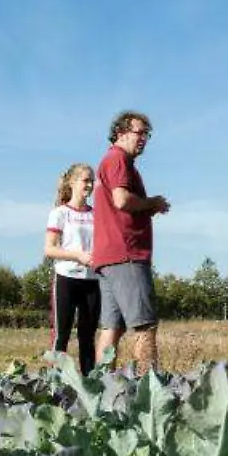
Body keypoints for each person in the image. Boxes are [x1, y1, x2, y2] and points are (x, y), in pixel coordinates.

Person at [92, 111, 170, 371]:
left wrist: (149, 208)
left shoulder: (110, 160)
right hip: (127, 254)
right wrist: (152, 203)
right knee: (145, 326)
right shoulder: (118, 159)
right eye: (139, 133)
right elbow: (122, 200)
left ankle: (101, 389)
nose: (144, 139)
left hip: (107, 256)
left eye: (147, 134)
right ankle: (150, 390)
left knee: (110, 328)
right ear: (121, 132)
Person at [45, 163, 100, 375]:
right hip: (66, 279)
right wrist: (77, 255)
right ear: (72, 182)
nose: (90, 185)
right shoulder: (59, 213)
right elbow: (49, 249)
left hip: (92, 281)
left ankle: (89, 385)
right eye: (86, 180)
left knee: (87, 337)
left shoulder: (96, 214)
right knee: (62, 335)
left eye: (92, 181)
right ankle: (55, 385)